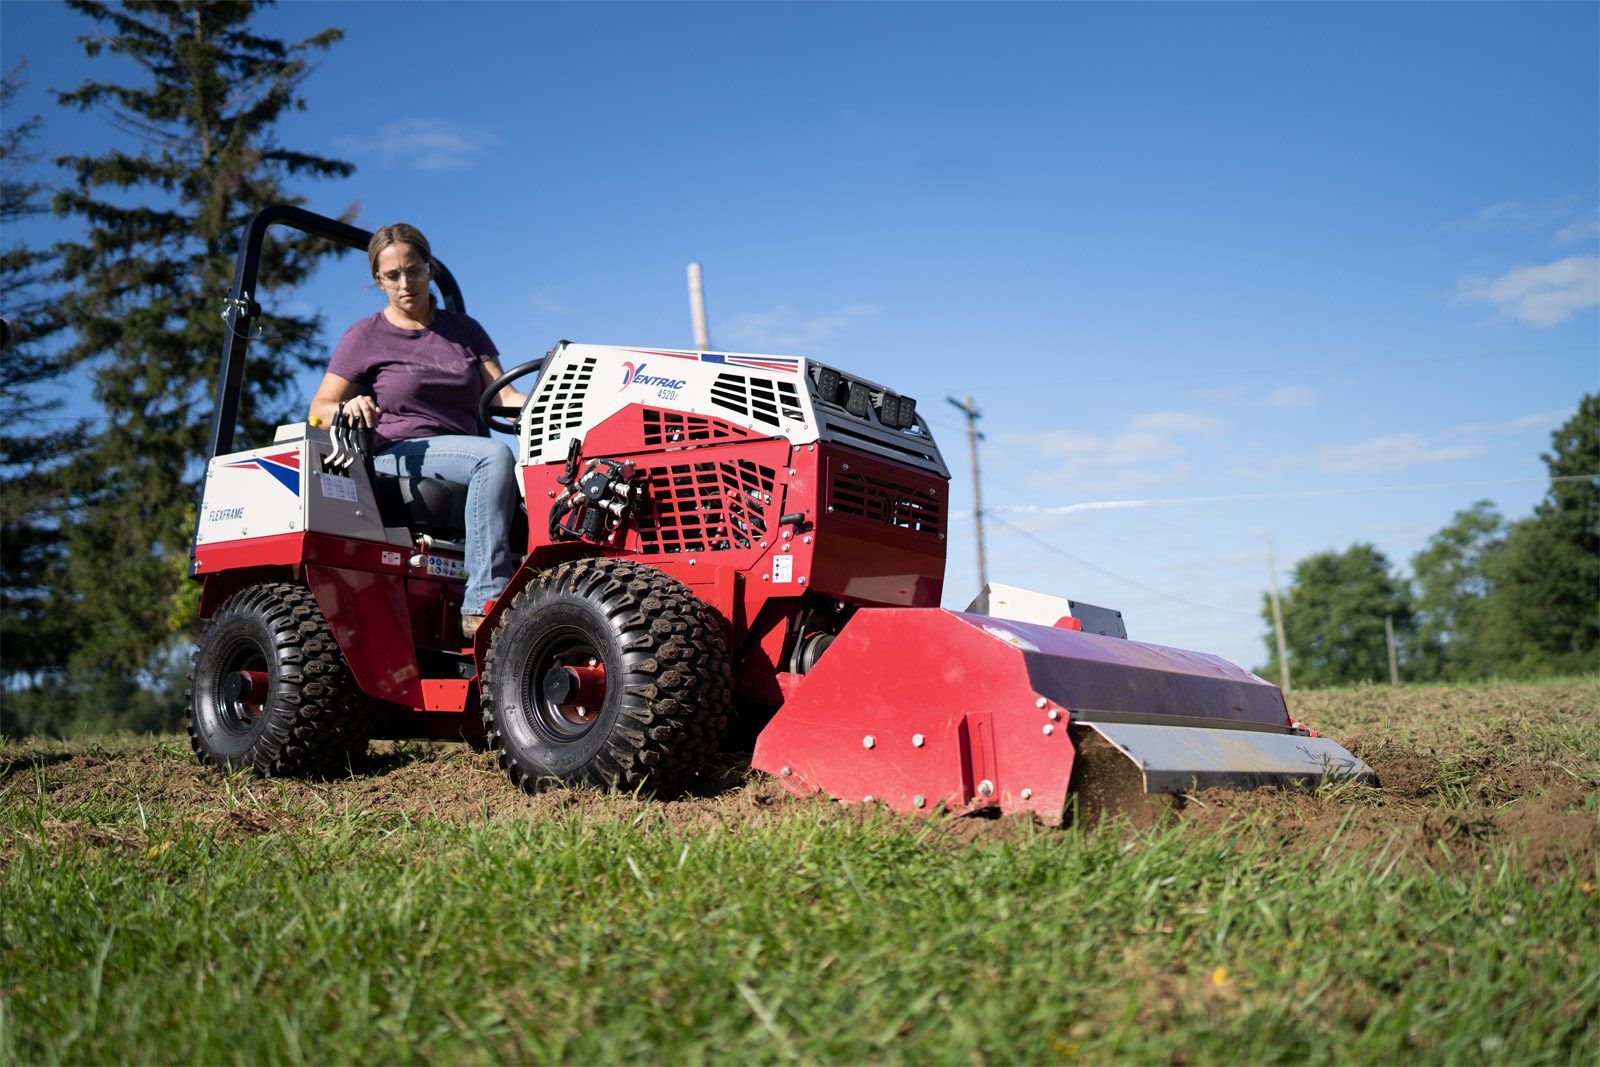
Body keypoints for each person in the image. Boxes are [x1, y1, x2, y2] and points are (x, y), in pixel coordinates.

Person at [310, 223, 527, 640]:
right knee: (494, 456)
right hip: (396, 452)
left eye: (413, 271)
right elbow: (317, 411)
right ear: (378, 281)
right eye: (393, 276)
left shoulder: (465, 331)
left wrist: (559, 400)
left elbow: (503, 396)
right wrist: (348, 406)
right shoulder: (365, 336)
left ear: (430, 269)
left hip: (461, 454)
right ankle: (483, 604)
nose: (405, 283)